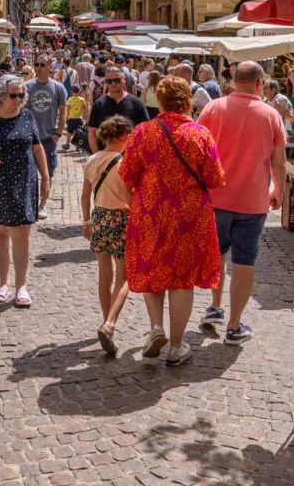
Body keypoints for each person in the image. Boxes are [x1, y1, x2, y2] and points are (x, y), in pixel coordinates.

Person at [120, 76, 225, 366]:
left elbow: (127, 174)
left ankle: (156, 327)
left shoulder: (143, 132)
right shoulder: (201, 135)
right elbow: (215, 178)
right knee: (182, 279)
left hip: (151, 211)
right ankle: (177, 347)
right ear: (188, 102)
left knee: (153, 268)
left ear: (161, 101)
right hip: (190, 215)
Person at [198, 61, 287, 344]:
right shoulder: (271, 115)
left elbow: (197, 148)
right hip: (252, 200)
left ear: (232, 80)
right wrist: (279, 192)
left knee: (218, 256)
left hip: (216, 197)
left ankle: (216, 306)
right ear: (260, 83)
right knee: (244, 262)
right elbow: (279, 162)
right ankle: (234, 326)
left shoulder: (213, 108)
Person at [0, 75, 50, 308]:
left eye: (21, 95)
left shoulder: (27, 116)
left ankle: (21, 285)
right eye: (13, 95)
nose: (18, 100)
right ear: (0, 95)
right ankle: (3, 283)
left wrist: (46, 177)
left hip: (23, 181)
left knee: (21, 233)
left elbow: (37, 146)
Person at [81, 115, 133, 356]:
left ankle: (105, 319)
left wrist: (86, 220)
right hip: (122, 218)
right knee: (124, 277)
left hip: (100, 216)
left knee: (104, 274)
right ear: (123, 137)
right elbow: (127, 196)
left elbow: (85, 195)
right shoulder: (123, 163)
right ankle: (110, 323)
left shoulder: (92, 160)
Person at [25, 56, 67, 219]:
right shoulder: (27, 86)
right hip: (29, 138)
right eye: (37, 64)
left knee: (47, 174)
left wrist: (58, 133)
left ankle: (42, 205)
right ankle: (30, 202)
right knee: (28, 172)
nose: (39, 67)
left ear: (50, 66)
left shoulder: (58, 87)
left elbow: (63, 112)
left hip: (48, 139)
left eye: (42, 65)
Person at [88, 68, 149, 152]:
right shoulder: (99, 104)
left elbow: (145, 130)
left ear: (124, 80)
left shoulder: (136, 103)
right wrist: (96, 154)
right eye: (109, 81)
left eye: (117, 80)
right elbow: (92, 131)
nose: (113, 84)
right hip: (106, 156)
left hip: (130, 157)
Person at [65, 84, 87, 149]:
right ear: (79, 91)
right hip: (79, 118)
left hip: (71, 118)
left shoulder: (70, 99)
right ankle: (78, 145)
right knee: (79, 132)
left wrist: (67, 116)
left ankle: (67, 144)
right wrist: (85, 116)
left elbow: (68, 108)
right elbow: (84, 108)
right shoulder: (82, 100)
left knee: (69, 132)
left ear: (72, 91)